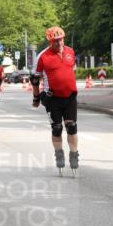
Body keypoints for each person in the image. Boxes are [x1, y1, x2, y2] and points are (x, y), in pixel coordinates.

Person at [31, 26, 80, 174]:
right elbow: (35, 79)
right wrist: (36, 97)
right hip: (52, 98)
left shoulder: (70, 51)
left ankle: (74, 154)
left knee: (71, 126)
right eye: (55, 41)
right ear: (50, 41)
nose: (58, 43)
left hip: (70, 96)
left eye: (60, 40)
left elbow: (73, 71)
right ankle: (59, 153)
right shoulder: (43, 56)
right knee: (57, 128)